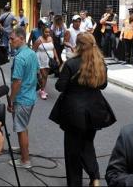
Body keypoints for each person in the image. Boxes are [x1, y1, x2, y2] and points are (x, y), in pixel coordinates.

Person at [50, 32, 114, 186]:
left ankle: (75, 184)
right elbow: (103, 85)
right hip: (94, 112)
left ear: (78, 45)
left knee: (72, 151)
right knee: (87, 144)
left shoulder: (71, 63)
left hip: (74, 113)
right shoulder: (100, 63)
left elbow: (60, 87)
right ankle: (95, 177)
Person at [7, 27, 39, 169]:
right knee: (23, 126)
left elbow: (17, 82)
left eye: (12, 38)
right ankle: (23, 150)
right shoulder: (31, 53)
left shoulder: (20, 58)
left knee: (21, 129)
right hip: (30, 96)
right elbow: (37, 73)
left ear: (21, 38)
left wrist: (11, 99)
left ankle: (25, 160)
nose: (10, 41)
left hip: (22, 98)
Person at [33, 27, 59, 100]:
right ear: (42, 32)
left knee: (45, 76)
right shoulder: (39, 40)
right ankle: (42, 90)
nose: (47, 34)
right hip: (40, 59)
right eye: (46, 32)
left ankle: (42, 89)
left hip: (49, 60)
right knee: (43, 76)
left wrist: (56, 58)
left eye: (48, 32)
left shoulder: (50, 38)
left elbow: (53, 49)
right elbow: (33, 50)